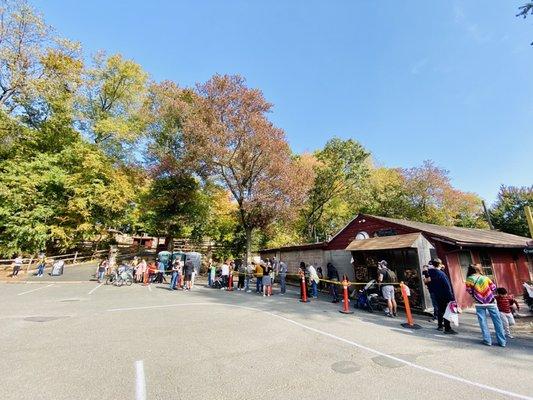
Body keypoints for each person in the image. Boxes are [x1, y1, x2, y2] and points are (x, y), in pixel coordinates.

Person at [466, 264, 506, 347]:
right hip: (491, 301)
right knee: (497, 322)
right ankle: (502, 342)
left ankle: (487, 341)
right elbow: (493, 288)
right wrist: (485, 290)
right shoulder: (486, 278)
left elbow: (469, 291)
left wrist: (477, 293)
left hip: (479, 303)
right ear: (479, 269)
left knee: (483, 322)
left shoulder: (469, 279)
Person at [422, 261, 457, 334]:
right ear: (439, 264)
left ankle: (440, 325)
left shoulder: (429, 272)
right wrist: (451, 297)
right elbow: (447, 286)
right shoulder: (441, 274)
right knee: (446, 311)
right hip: (444, 294)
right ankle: (447, 328)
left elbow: (426, 281)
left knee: (440, 310)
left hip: (435, 293)